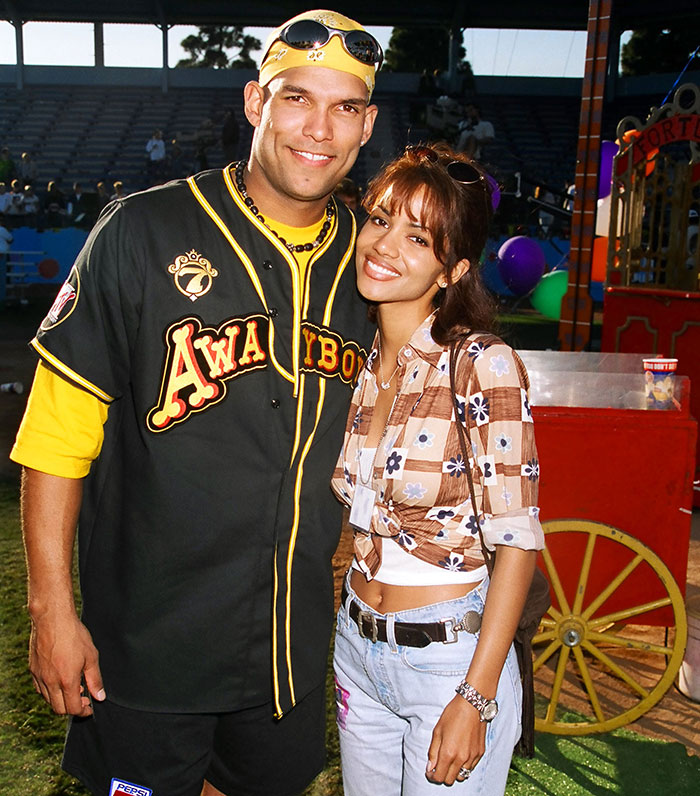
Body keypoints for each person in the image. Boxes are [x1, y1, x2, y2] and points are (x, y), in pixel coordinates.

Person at [10, 8, 381, 796]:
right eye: (295, 99)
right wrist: (51, 612)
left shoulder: (373, 265)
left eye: (344, 107)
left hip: (289, 654)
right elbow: (55, 438)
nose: (318, 128)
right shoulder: (142, 230)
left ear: (366, 126)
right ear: (255, 104)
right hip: (149, 649)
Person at [331, 144, 544, 795]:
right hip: (355, 651)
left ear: (452, 268)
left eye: (417, 236)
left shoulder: (482, 362)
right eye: (381, 219)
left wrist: (476, 699)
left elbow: (517, 543)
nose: (385, 244)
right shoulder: (351, 361)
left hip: (450, 663)